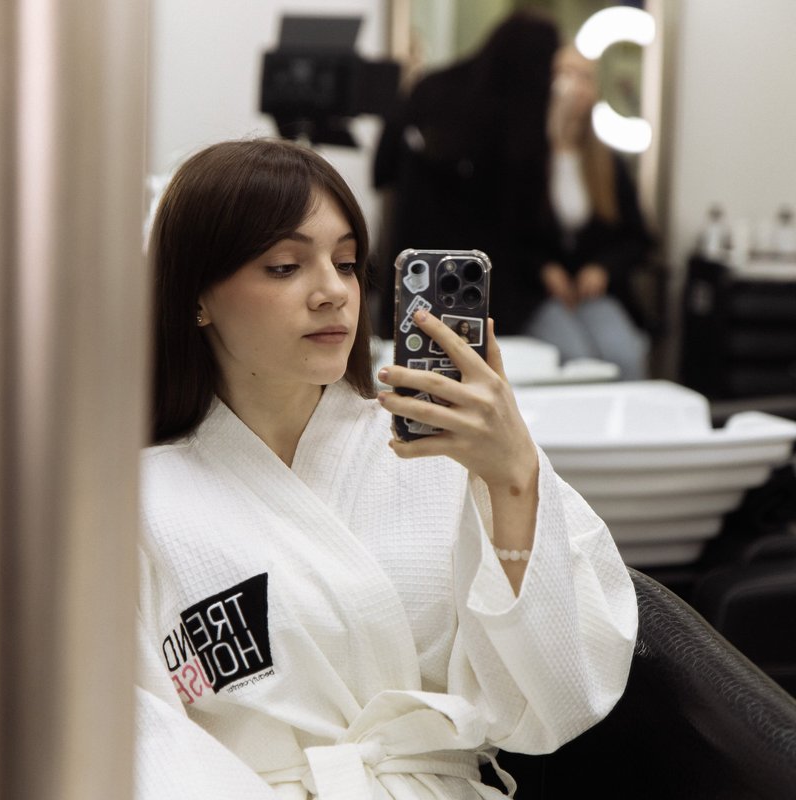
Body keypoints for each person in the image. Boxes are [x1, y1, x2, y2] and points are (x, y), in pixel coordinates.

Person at [135, 136, 638, 800]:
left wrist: (514, 478)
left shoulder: (458, 452)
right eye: (285, 266)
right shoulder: (136, 502)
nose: (332, 292)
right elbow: (136, 739)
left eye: (347, 263)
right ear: (195, 296)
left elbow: (562, 695)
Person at [372, 9, 561, 338]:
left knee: (413, 351)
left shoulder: (430, 88)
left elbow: (382, 169)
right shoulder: (521, 117)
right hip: (483, 281)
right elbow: (524, 215)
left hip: (417, 267)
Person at [521, 44, 655, 380]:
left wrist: (603, 268)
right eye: (565, 73)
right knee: (577, 360)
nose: (575, 85)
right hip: (534, 294)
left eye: (585, 77)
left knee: (625, 356)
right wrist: (542, 268)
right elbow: (506, 232)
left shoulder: (606, 163)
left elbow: (638, 237)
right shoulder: (525, 157)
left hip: (592, 294)